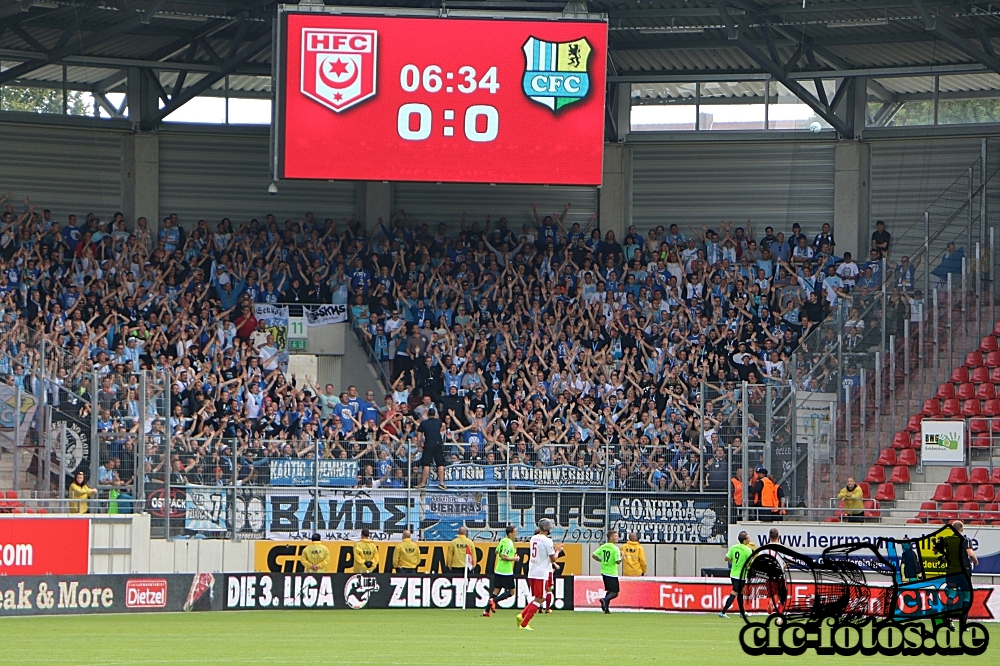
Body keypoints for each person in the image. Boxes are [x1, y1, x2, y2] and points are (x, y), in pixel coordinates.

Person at [517, 518, 562, 630]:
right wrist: (558, 551)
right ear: (545, 527)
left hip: (532, 571)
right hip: (541, 573)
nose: (551, 527)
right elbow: (553, 559)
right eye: (550, 526)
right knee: (540, 598)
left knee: (538, 597)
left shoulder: (533, 538)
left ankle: (521, 615)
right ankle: (524, 623)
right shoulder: (547, 541)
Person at [720, 530, 755, 618]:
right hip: (741, 576)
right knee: (735, 593)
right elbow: (750, 563)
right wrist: (747, 566)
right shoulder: (748, 550)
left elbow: (726, 558)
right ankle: (723, 612)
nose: (749, 539)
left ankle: (742, 612)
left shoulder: (734, 547)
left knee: (740, 593)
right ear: (745, 540)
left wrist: (733, 563)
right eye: (748, 537)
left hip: (733, 574)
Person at [484, 525, 517, 617]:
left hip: (498, 570)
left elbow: (496, 551)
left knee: (496, 591)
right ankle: (494, 601)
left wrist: (511, 552)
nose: (516, 533)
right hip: (506, 571)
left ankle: (486, 611)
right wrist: (514, 558)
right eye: (515, 532)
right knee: (511, 592)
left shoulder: (503, 540)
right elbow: (503, 556)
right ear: (510, 533)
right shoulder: (509, 543)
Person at [592, 529, 622, 613]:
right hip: (612, 572)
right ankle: (604, 600)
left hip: (604, 571)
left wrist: (600, 560)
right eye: (615, 536)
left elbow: (594, 555)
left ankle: (606, 608)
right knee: (615, 593)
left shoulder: (603, 546)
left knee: (609, 591)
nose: (617, 538)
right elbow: (617, 561)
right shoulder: (615, 549)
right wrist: (622, 557)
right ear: (611, 538)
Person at [417, 408, 446, 490]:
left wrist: (419, 443)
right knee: (440, 464)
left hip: (429, 444)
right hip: (438, 443)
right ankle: (442, 483)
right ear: (435, 414)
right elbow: (443, 428)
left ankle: (423, 483)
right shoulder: (439, 422)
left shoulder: (424, 423)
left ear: (427, 414)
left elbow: (419, 433)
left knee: (426, 464)